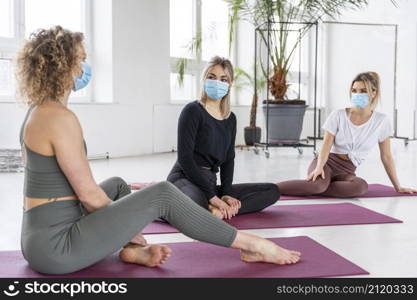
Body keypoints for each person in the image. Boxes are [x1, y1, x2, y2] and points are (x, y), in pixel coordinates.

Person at [17, 26, 300, 275]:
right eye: (81, 58)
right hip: (56, 248)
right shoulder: (60, 118)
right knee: (162, 193)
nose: (85, 65)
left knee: (117, 185)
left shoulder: (40, 112)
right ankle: (251, 245)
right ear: (64, 65)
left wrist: (125, 227)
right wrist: (129, 225)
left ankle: (131, 251)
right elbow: (89, 196)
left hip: (39, 237)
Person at [167, 56, 280, 220]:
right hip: (185, 179)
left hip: (209, 184)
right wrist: (213, 197)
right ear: (204, 79)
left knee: (271, 191)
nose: (217, 82)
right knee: (193, 199)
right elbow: (185, 159)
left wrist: (226, 194)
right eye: (212, 77)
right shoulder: (192, 111)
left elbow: (228, 159)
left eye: (223, 79)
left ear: (229, 85)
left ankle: (215, 211)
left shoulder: (230, 118)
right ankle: (208, 207)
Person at [277, 72, 417, 197]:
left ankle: (318, 187)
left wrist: (398, 186)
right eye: (354, 90)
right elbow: (326, 145)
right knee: (317, 185)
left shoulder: (382, 121)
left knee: (360, 187)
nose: (357, 94)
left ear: (373, 93)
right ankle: (272, 188)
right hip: (327, 162)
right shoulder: (338, 115)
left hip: (347, 170)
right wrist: (319, 167)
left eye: (363, 91)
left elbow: (386, 157)